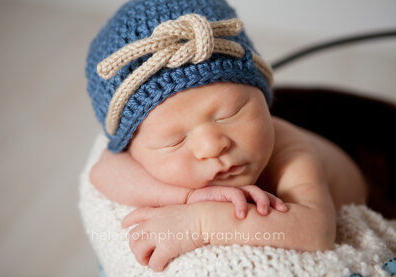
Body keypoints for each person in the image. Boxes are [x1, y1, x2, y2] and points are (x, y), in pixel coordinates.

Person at [85, 0, 368, 272]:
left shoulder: (291, 149)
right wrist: (189, 198)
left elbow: (316, 231)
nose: (213, 145)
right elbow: (103, 172)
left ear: (263, 98)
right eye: (175, 140)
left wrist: (200, 223)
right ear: (130, 150)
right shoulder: (131, 154)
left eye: (230, 113)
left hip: (372, 195)